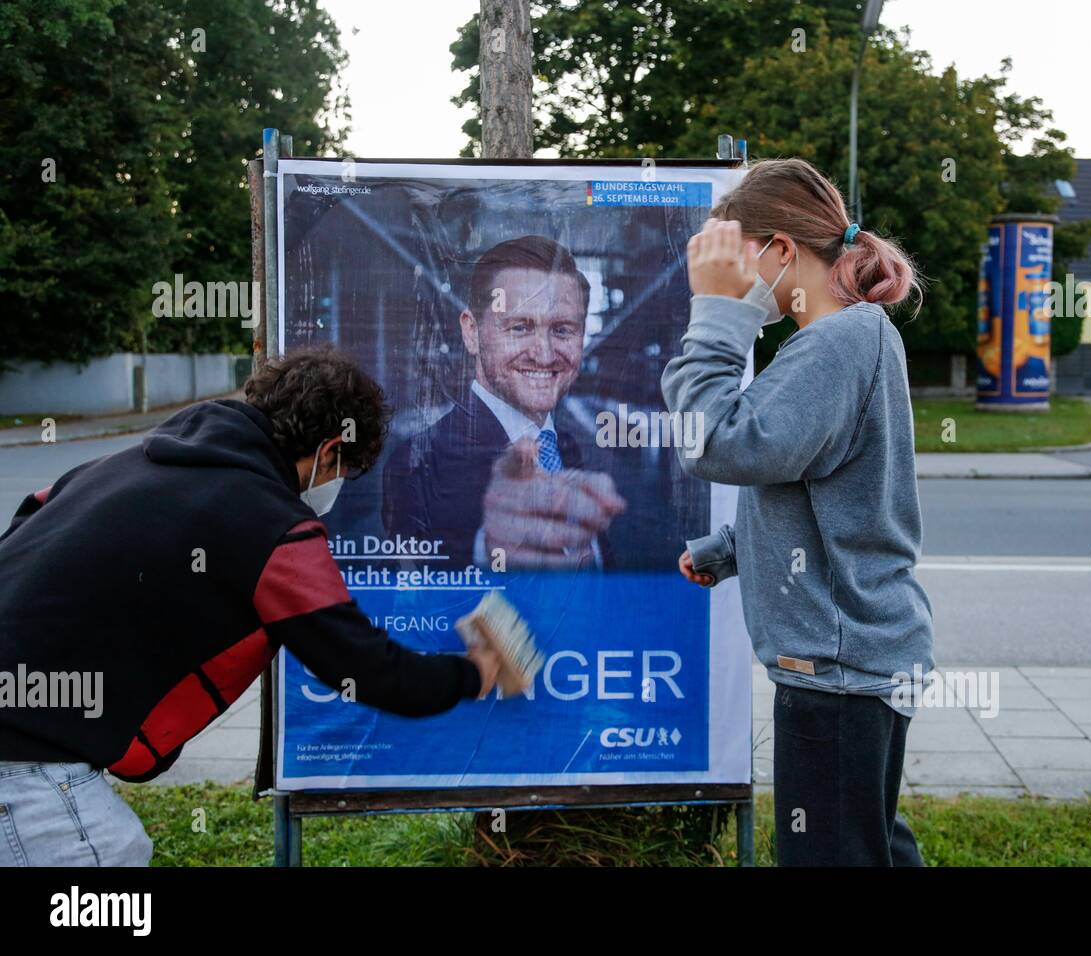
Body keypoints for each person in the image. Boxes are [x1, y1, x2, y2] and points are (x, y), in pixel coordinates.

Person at [0, 349, 504, 866]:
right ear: (330, 450)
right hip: (26, 762)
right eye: (344, 472)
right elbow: (367, 669)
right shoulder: (270, 524)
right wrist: (473, 673)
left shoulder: (112, 468)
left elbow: (28, 519)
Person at [662, 158, 935, 866]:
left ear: (781, 250)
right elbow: (823, 485)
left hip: (837, 669)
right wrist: (731, 547)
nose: (732, 279)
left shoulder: (837, 342)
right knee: (867, 847)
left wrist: (718, 313)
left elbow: (711, 440)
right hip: (852, 660)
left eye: (739, 260)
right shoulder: (844, 339)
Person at [383, 235, 626, 570]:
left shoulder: (564, 447)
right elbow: (422, 602)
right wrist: (490, 551)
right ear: (471, 332)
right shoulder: (417, 464)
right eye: (520, 327)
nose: (544, 355)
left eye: (563, 330)